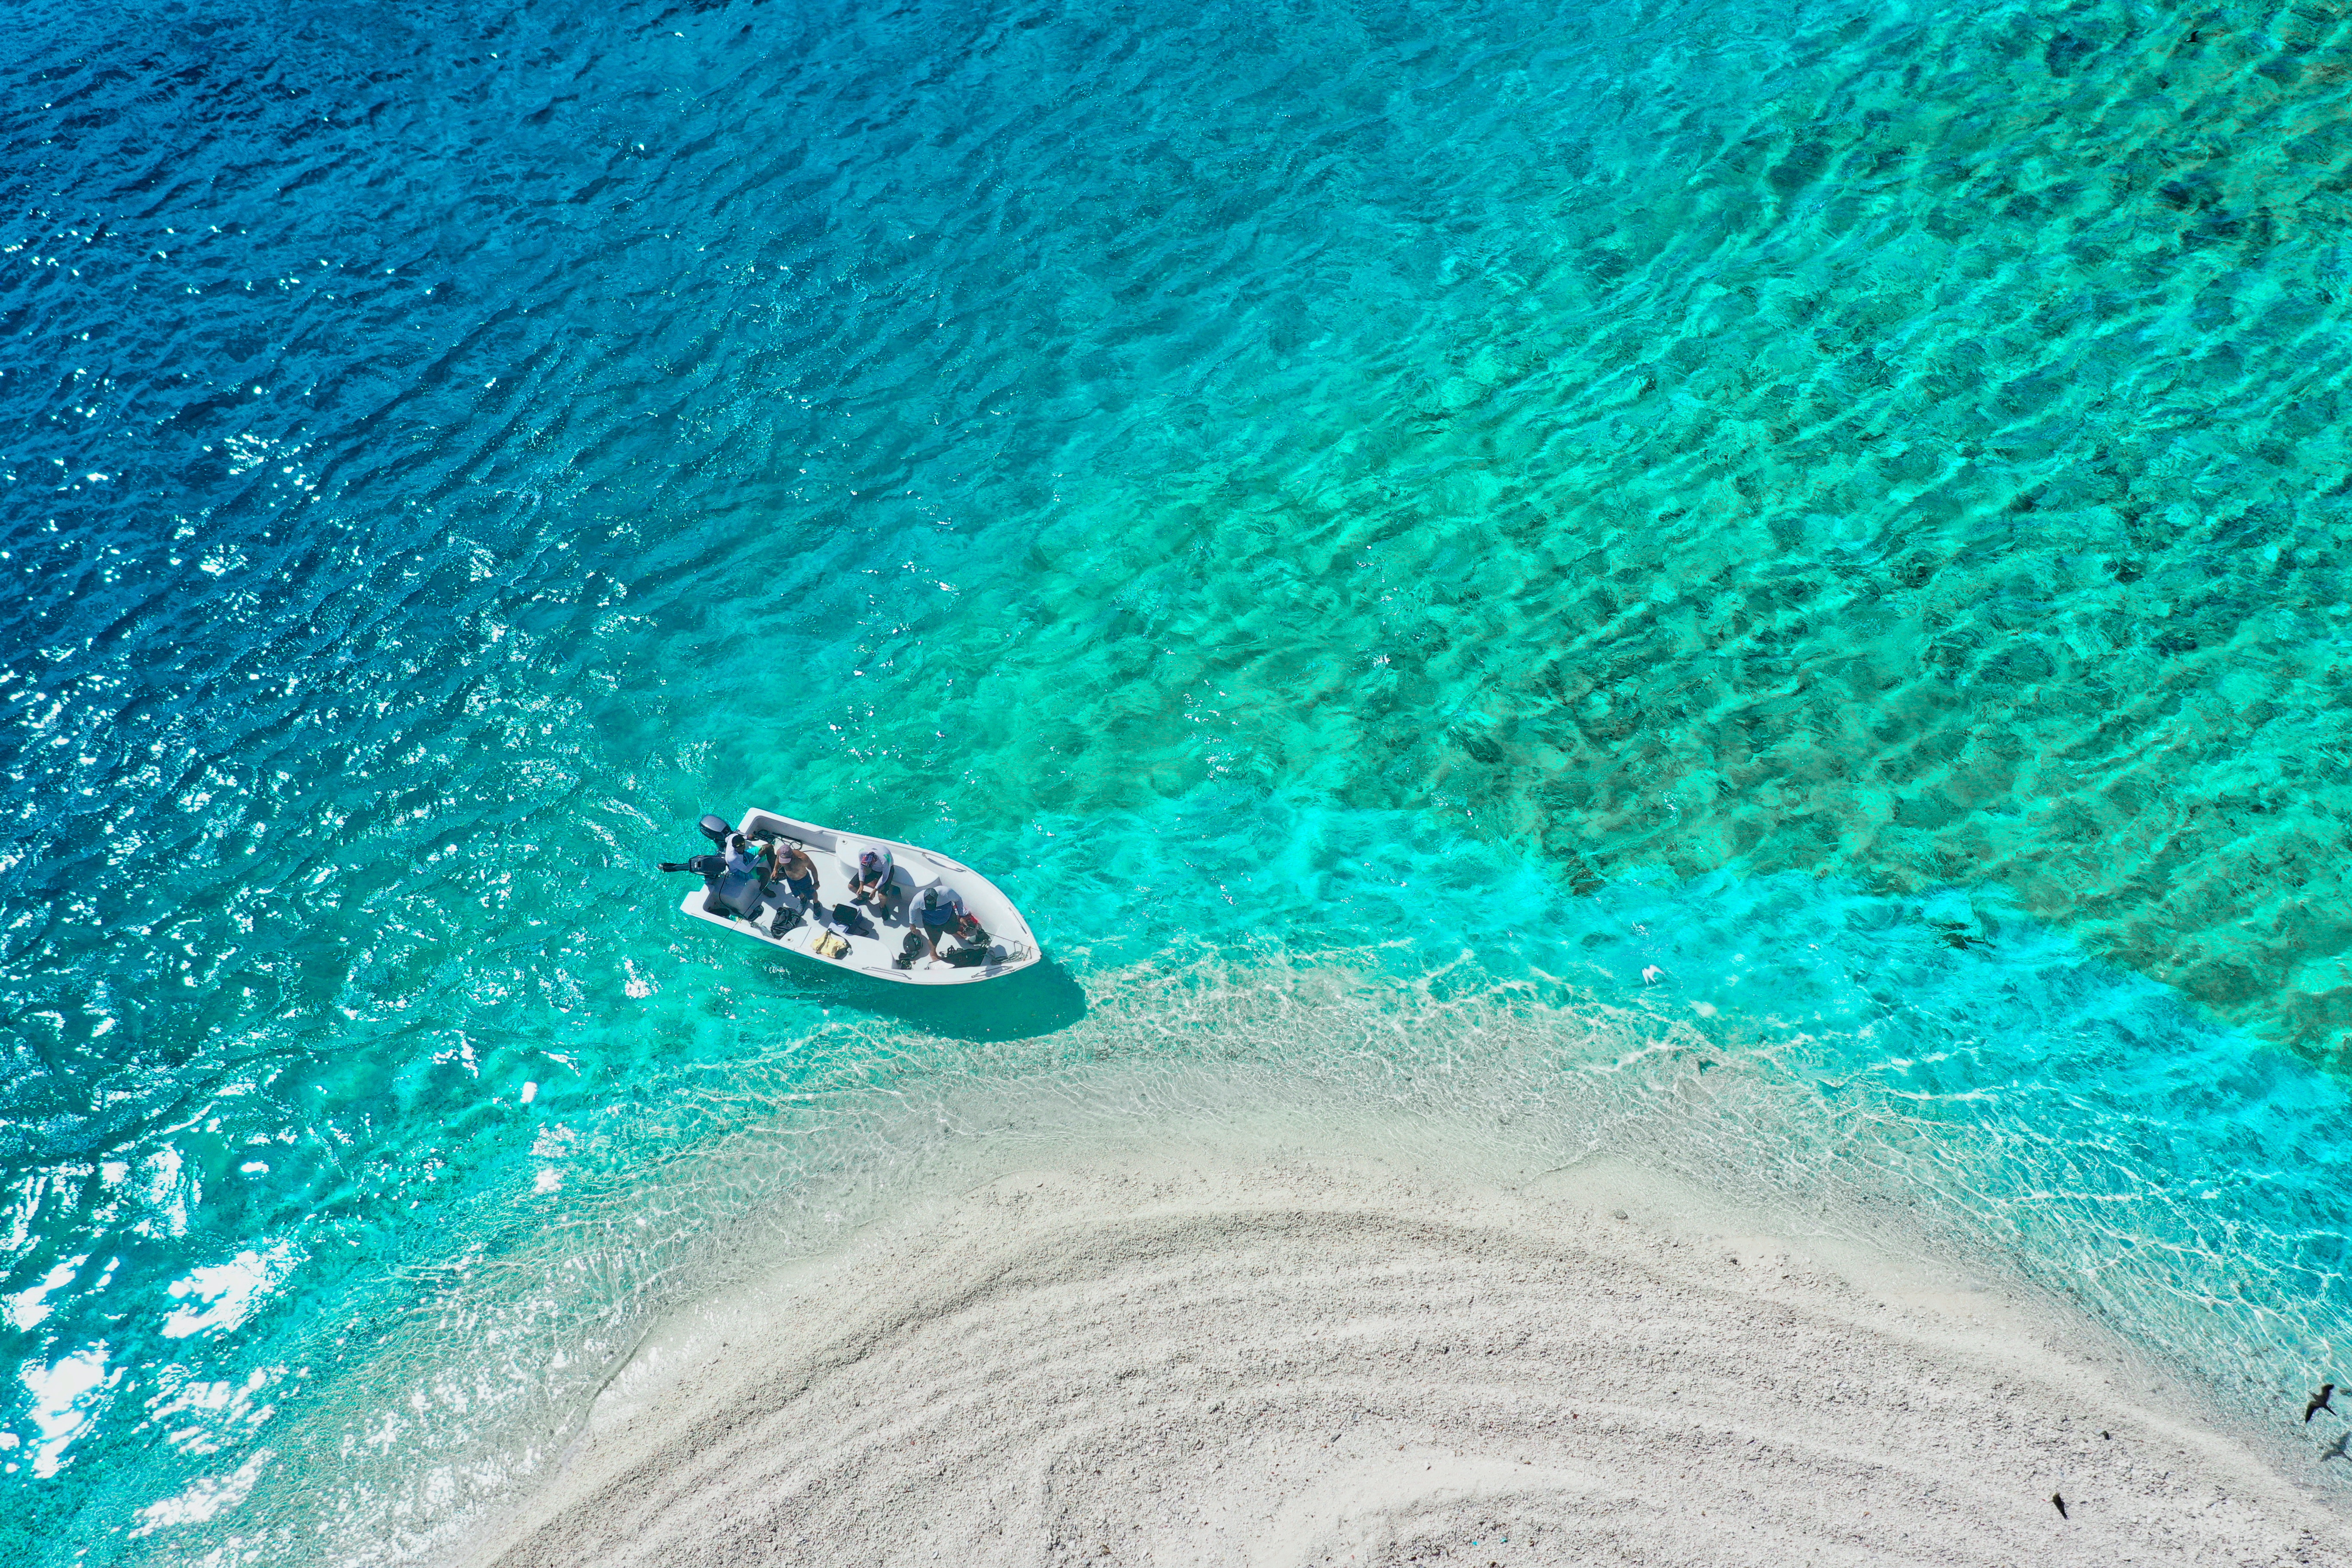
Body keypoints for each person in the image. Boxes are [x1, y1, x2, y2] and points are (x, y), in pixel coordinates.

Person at [758, 838, 823, 937]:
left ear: (792, 855)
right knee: (797, 892)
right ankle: (803, 901)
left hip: (803, 879)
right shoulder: (780, 852)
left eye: (786, 861)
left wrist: (816, 882)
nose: (784, 863)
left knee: (812, 893)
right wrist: (775, 870)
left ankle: (816, 904)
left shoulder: (803, 858)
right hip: (790, 879)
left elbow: (813, 869)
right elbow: (777, 860)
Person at [910, 884, 969, 961]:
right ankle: (933, 953)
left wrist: (961, 916)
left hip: (949, 918)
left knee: (953, 929)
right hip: (931, 924)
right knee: (934, 940)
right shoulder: (918, 899)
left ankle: (954, 932)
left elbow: (958, 900)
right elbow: (912, 909)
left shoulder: (946, 892)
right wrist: (912, 924)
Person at [845, 847, 905, 923]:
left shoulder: (884, 859)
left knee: (882, 896)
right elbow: (861, 868)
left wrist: (875, 890)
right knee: (851, 887)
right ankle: (863, 898)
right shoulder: (862, 853)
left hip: (886, 870)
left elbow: (885, 877)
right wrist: (861, 884)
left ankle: (882, 907)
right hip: (872, 869)